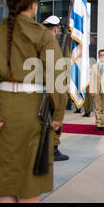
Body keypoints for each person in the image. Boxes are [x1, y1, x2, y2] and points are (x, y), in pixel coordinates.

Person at [0, 0, 66, 203]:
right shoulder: (44, 35)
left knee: (5, 184)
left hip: (3, 109)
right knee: (29, 185)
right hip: (33, 112)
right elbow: (57, 77)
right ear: (33, 5)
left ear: (9, 5)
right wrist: (58, 115)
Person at [42, 15, 70, 162]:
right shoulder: (52, 44)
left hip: (43, 87)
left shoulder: (40, 41)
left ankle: (50, 148)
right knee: (54, 118)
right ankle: (52, 149)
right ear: (55, 29)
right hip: (53, 86)